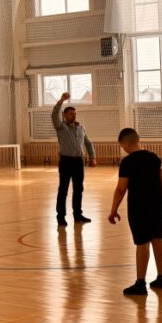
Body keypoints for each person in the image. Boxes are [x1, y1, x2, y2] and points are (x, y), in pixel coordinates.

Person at [108, 128, 162, 296]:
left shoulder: (127, 162)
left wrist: (113, 210)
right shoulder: (156, 158)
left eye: (122, 146)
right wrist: (159, 200)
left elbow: (121, 189)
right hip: (157, 205)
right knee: (157, 238)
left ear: (127, 144)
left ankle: (140, 283)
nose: (122, 149)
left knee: (142, 242)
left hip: (138, 206)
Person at [52, 92, 96, 227]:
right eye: (71, 114)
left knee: (78, 189)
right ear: (65, 115)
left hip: (78, 162)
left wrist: (92, 157)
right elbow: (54, 115)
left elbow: (88, 143)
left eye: (75, 114)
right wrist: (61, 101)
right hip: (66, 162)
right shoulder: (61, 127)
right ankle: (61, 217)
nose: (74, 116)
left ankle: (78, 215)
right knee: (63, 190)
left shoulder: (80, 128)